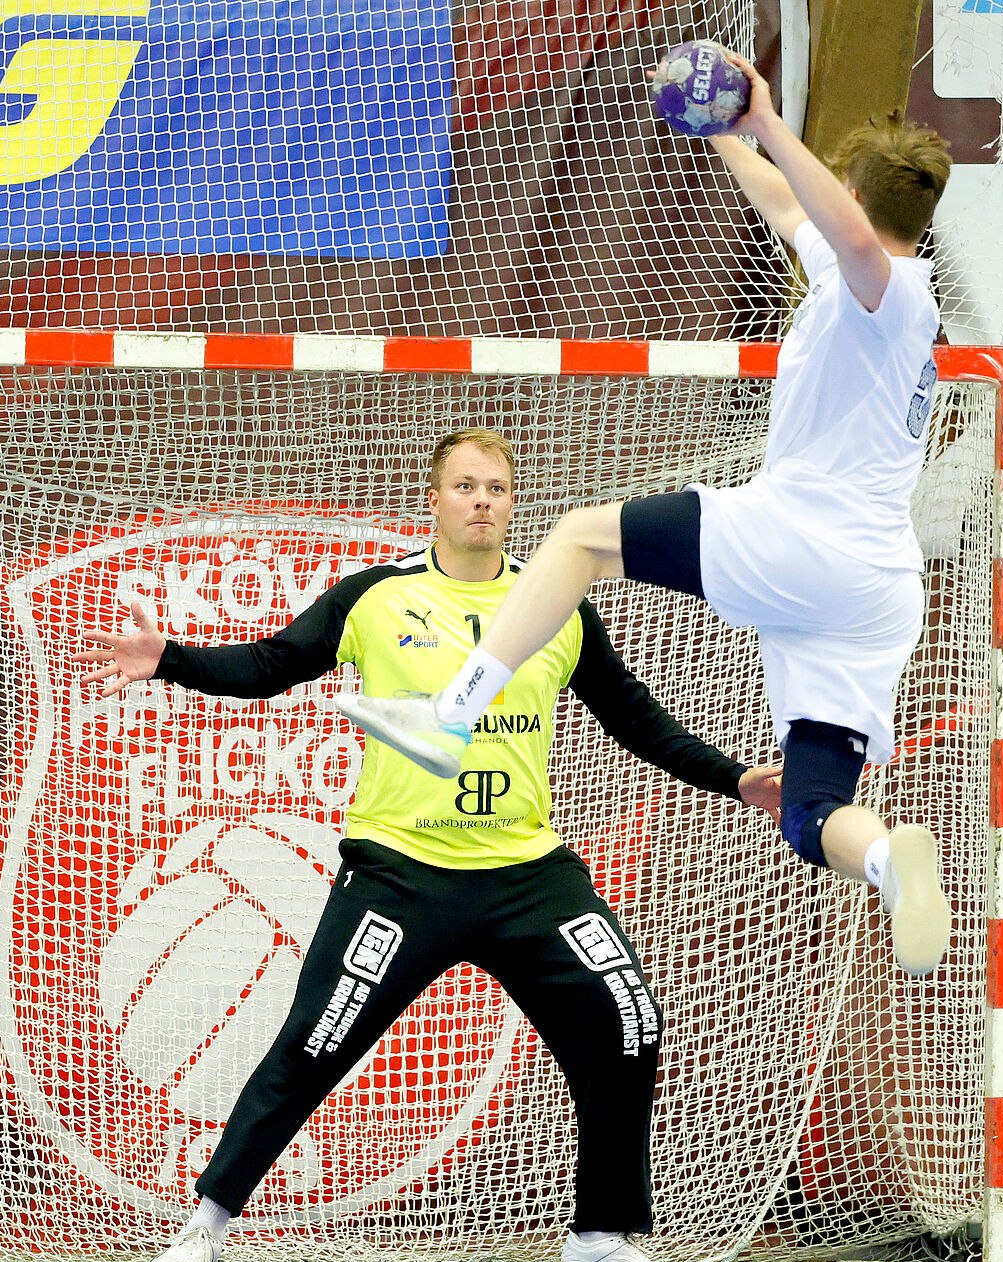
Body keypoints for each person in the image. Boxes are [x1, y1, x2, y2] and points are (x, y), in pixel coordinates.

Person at [74, 428, 785, 1262]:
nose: (482, 500)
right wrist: (169, 661)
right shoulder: (377, 598)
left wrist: (739, 779)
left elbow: (636, 717)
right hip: (401, 872)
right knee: (316, 1039)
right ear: (437, 499)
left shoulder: (555, 604)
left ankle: (599, 1237)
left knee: (626, 1020)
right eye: (465, 485)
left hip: (527, 872)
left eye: (497, 487)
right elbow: (274, 662)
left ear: (513, 504)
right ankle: (202, 1229)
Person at [335, 64, 955, 978]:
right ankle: (884, 863)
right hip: (872, 593)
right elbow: (794, 209)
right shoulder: (849, 273)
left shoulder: (895, 297)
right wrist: (723, 129)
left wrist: (775, 123)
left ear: (857, 194)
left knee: (581, 537)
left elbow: (848, 234)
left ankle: (450, 716)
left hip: (807, 541)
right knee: (810, 806)